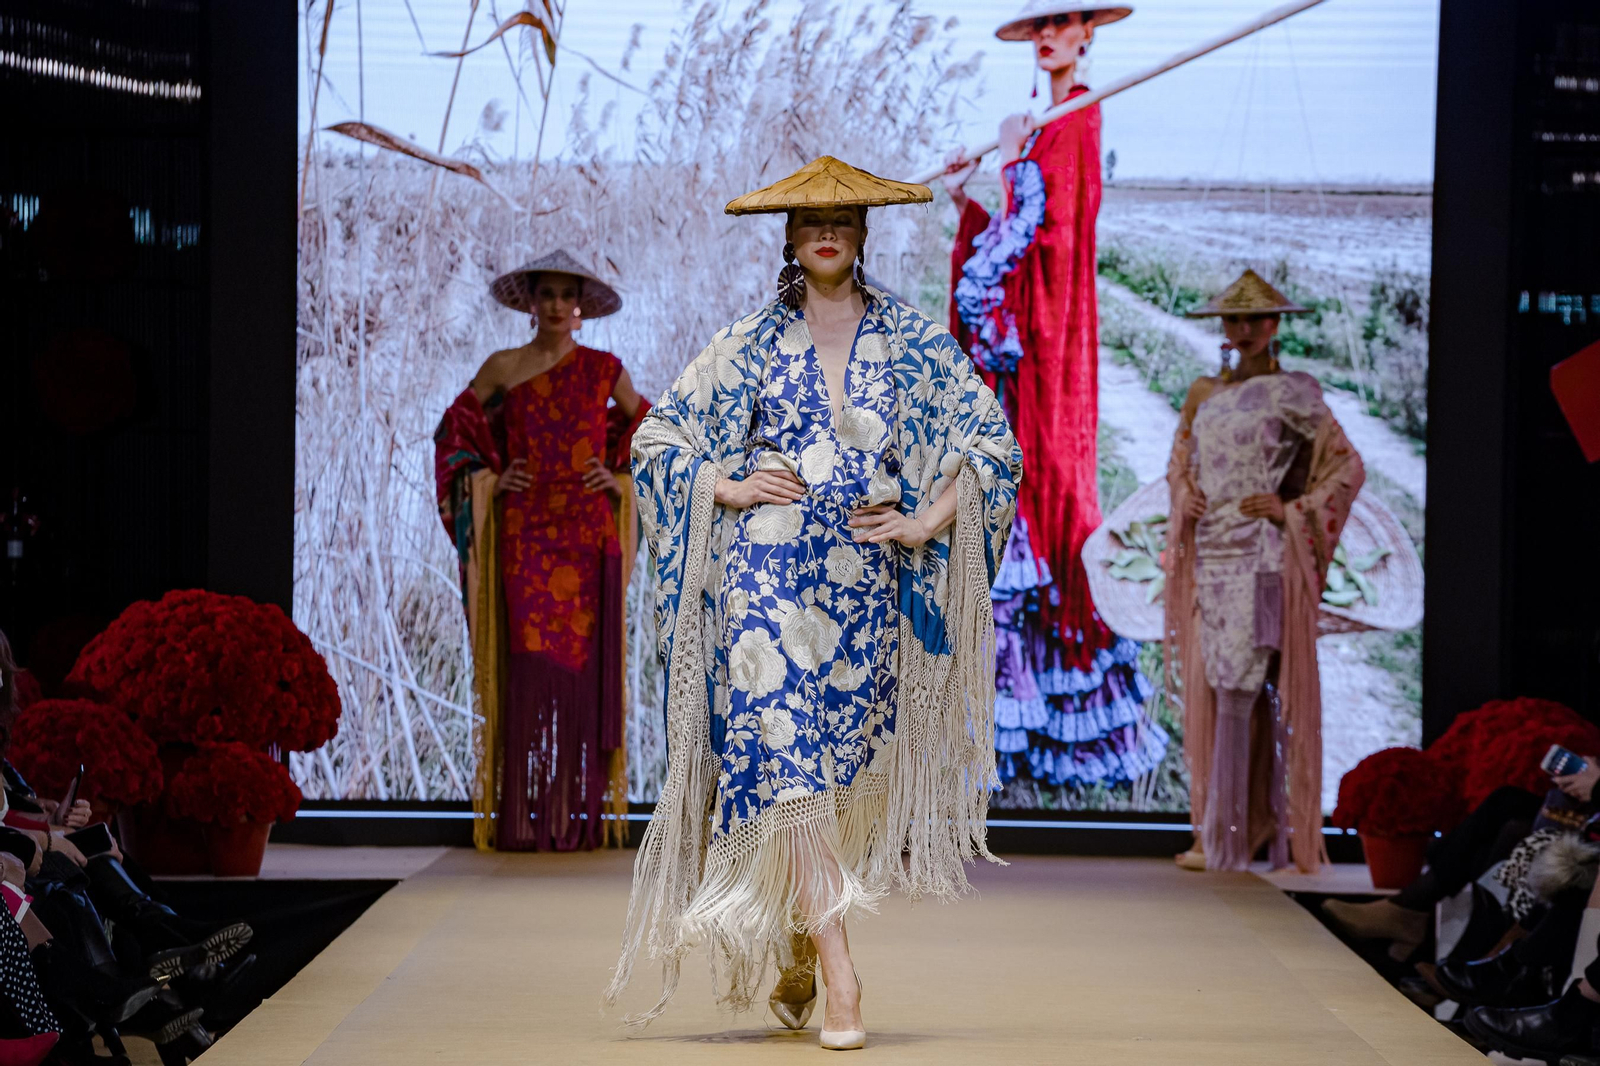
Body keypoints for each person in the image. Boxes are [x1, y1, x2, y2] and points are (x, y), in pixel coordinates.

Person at [605, 157, 1021, 1050]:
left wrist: (923, 522)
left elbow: (994, 448)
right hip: (763, 576)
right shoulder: (751, 341)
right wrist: (724, 481)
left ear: (864, 233)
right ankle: (842, 976)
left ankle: (799, 936)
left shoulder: (911, 340)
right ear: (790, 238)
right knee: (782, 749)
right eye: (810, 220)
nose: (827, 229)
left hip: (863, 588)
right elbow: (658, 437)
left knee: (826, 781)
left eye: (843, 217)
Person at [943, 2, 1168, 795]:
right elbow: (1014, 227)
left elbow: (1058, 236)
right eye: (1036, 25)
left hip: (1047, 340)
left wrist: (1014, 164)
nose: (1047, 35)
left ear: (1087, 34)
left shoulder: (1077, 118)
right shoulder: (1044, 121)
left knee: (1051, 493)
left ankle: (1053, 729)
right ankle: (1005, 726)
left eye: (1062, 21)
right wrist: (973, 198)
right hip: (1021, 351)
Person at [436, 250, 648, 853]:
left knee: (579, 679)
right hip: (525, 532)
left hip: (585, 534)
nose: (556, 304)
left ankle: (564, 809)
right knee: (528, 671)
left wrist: (621, 479)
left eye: (566, 294)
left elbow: (654, 428)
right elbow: (453, 432)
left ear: (580, 306)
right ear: (530, 302)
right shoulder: (502, 367)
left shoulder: (606, 369)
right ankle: (519, 815)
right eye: (546, 294)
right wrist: (488, 480)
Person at [1163, 270, 1364, 873]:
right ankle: (1227, 826)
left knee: (1245, 689)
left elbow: (1346, 467)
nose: (1243, 330)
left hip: (1261, 556)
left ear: (1276, 325)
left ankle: (1237, 833)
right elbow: (1180, 464)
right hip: (1213, 554)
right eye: (1233, 320)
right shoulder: (1202, 391)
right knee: (1217, 686)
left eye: (1255, 320)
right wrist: (1185, 493)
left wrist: (1291, 508)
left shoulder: (1296, 392)